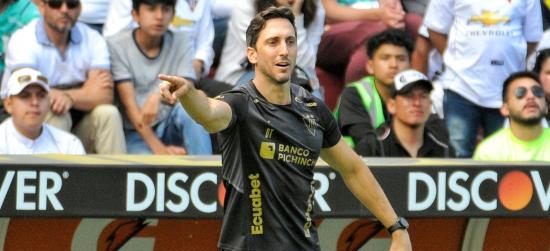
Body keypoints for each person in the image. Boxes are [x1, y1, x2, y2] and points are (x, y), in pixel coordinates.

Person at [158, 7, 413, 251]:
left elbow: (353, 168)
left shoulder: (314, 111)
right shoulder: (239, 105)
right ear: (252, 54)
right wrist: (188, 93)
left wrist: (396, 227)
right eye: (273, 42)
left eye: (290, 42)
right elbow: (209, 114)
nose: (284, 51)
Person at [1, 0, 126, 154]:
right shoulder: (24, 39)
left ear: (80, 8)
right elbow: (30, 94)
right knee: (56, 113)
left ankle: (115, 175)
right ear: (41, 7)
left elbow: (104, 95)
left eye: (71, 4)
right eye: (55, 3)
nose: (64, 10)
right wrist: (86, 90)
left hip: (81, 125)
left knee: (108, 113)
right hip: (33, 126)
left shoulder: (93, 38)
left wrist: (69, 97)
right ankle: (53, 173)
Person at [424, 0, 543, 158]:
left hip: (509, 91)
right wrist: (456, 62)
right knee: (457, 157)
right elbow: (435, 28)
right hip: (460, 86)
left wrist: (510, 62)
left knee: (506, 158)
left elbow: (532, 38)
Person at [107, 0, 212, 155]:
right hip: (136, 133)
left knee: (189, 108)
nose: (159, 16)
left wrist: (157, 97)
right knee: (149, 167)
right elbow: (130, 105)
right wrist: (159, 149)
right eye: (151, 9)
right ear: (135, 15)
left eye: (166, 9)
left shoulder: (182, 40)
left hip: (169, 124)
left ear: (173, 15)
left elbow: (188, 89)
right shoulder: (117, 45)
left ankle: (207, 174)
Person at [215, 0, 325, 97]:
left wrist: (296, 15)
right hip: (245, 73)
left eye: (290, 42)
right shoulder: (247, 4)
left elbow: (304, 64)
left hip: (293, 73)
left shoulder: (315, 7)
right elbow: (263, 57)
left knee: (312, 97)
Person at [316, 0, 422, 84]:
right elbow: (330, 13)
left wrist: (393, 9)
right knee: (375, 35)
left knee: (417, 24)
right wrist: (378, 15)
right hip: (337, 28)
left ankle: (420, 88)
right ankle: (353, 104)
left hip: (380, 18)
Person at [364, 69, 453, 157]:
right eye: (409, 96)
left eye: (423, 96)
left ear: (430, 104)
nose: (417, 103)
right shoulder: (372, 146)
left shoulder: (443, 145)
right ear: (391, 105)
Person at [0, 67, 85, 154]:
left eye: (41, 96)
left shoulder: (69, 145)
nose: (35, 102)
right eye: (25, 96)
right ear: (8, 104)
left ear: (48, 102)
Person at [473, 71, 550, 160]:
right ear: (505, 109)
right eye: (520, 92)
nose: (531, 96)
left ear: (546, 107)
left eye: (537, 92)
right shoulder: (488, 151)